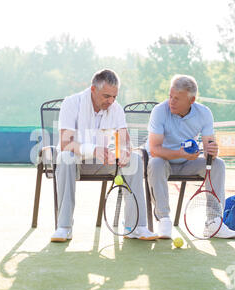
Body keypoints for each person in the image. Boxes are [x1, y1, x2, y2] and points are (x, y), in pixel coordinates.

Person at [51, 69, 158, 242]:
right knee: (64, 156)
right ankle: (64, 227)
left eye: (114, 97)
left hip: (102, 161)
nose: (111, 101)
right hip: (74, 160)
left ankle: (135, 227)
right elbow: (66, 143)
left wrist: (124, 151)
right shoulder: (71, 103)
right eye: (106, 96)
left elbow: (124, 140)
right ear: (93, 89)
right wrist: (92, 149)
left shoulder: (116, 108)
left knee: (135, 160)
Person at [146, 74, 235, 239]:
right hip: (163, 161)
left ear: (191, 100)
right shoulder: (159, 111)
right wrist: (180, 154)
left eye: (177, 99)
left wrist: (212, 151)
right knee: (156, 163)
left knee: (218, 164)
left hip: (187, 163)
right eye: (170, 96)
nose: (171, 102)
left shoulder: (204, 113)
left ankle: (213, 222)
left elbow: (209, 146)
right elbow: (154, 149)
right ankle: (164, 219)